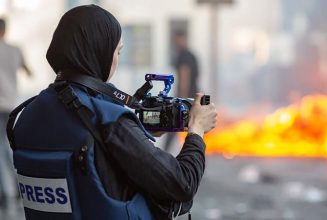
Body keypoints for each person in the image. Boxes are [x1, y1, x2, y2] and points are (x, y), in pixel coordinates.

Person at [7, 5, 217, 220]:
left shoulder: (26, 114)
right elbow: (183, 184)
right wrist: (197, 131)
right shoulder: (108, 120)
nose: (116, 60)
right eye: (117, 51)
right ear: (99, 51)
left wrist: (136, 132)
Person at [0, 17, 31, 206]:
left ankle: (5, 192)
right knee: (7, 147)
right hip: (10, 106)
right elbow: (28, 71)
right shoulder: (15, 50)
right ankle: (16, 188)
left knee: (1, 148)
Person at [163, 30, 200, 152]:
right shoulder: (191, 54)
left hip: (186, 97)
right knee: (193, 126)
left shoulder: (183, 55)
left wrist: (182, 98)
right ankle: (196, 152)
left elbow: (184, 76)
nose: (176, 42)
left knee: (173, 125)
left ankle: (164, 153)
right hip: (194, 96)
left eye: (177, 39)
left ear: (182, 39)